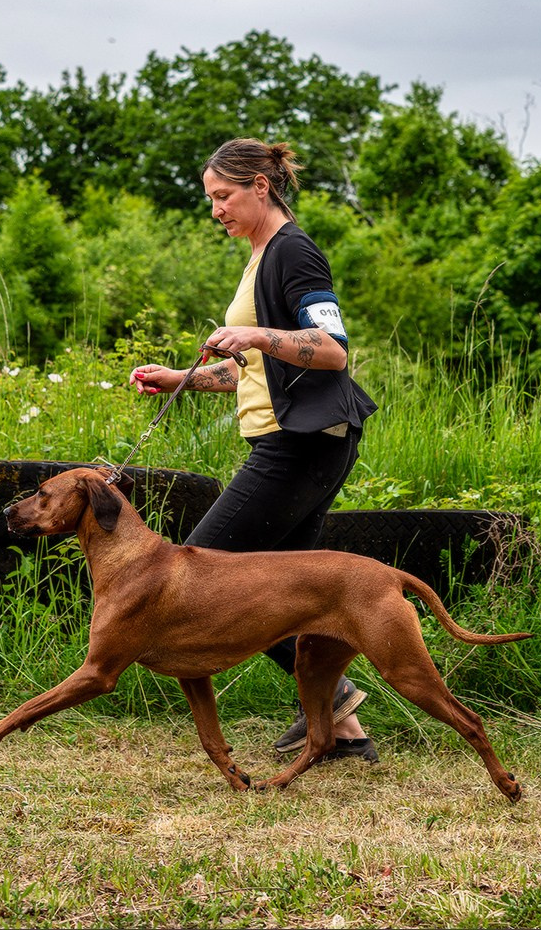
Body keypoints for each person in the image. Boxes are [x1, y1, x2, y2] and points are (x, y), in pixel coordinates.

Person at [129, 137, 378, 761]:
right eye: (210, 199)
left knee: (205, 571)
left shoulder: (292, 250)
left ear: (260, 186)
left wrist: (256, 334)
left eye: (224, 195)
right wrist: (183, 380)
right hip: (295, 441)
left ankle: (337, 699)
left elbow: (331, 349)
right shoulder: (259, 255)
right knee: (287, 592)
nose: (216, 210)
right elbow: (256, 373)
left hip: (299, 447)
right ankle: (342, 730)